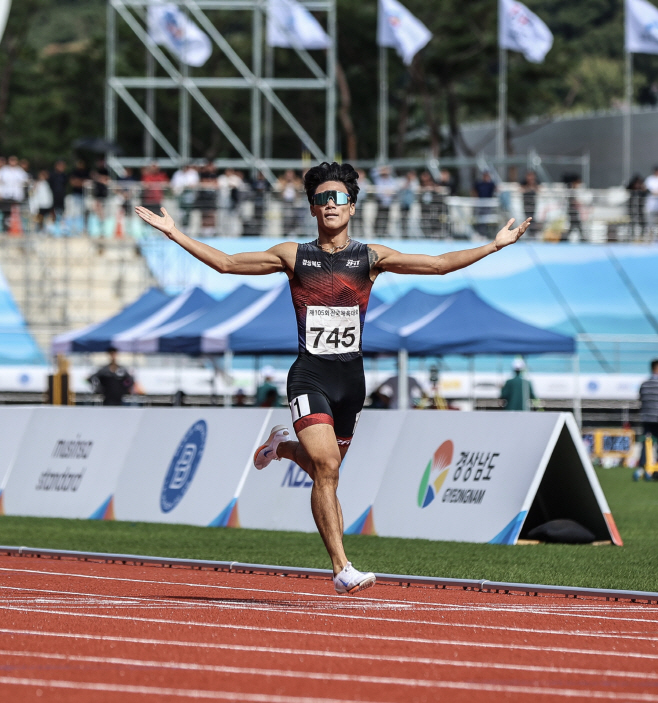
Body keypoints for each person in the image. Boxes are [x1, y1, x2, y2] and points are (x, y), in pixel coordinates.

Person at [135, 161, 531, 595]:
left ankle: (282, 447)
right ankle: (342, 568)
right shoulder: (293, 256)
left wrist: (494, 246)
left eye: (338, 197)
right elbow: (228, 264)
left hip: (351, 382)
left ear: (352, 207)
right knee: (326, 466)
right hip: (310, 375)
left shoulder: (371, 258)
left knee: (330, 470)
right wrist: (175, 233)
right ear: (311, 208)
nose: (330, 204)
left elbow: (438, 265)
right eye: (322, 198)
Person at [638, 359, 658, 473]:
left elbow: (640, 399)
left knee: (646, 442)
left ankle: (643, 466)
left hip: (646, 418)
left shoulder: (644, 384)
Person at [644, 166, 658, 240]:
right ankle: (650, 238)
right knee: (650, 223)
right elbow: (647, 189)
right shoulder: (650, 179)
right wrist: (654, 192)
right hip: (651, 204)